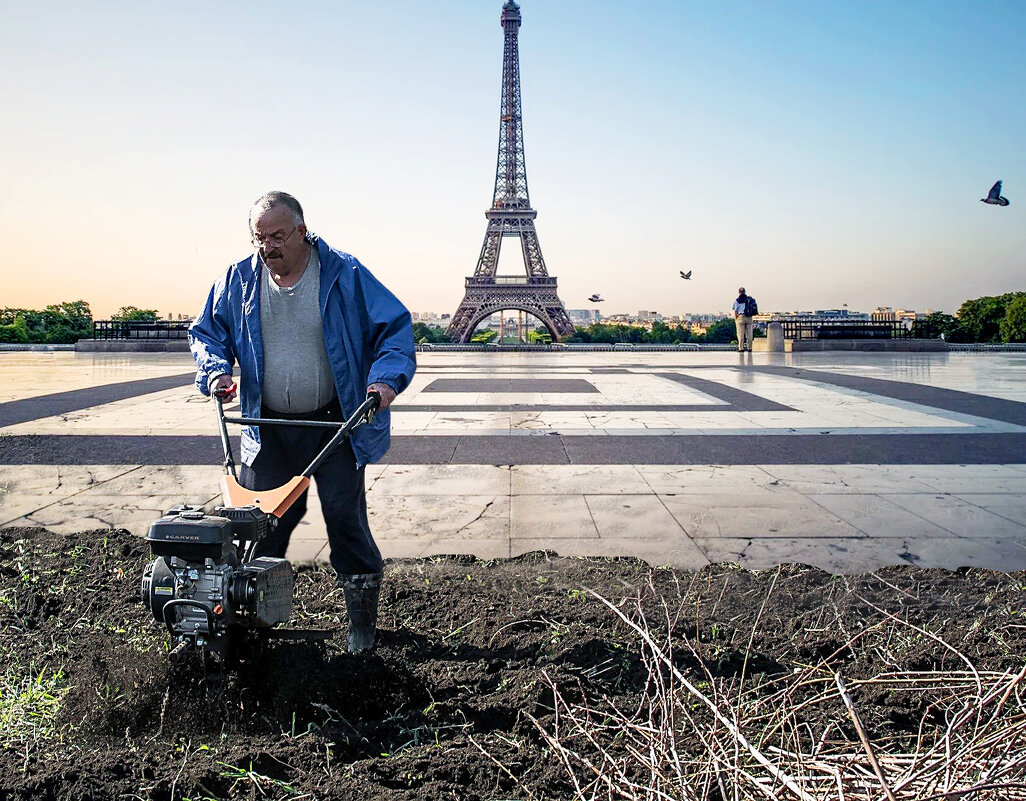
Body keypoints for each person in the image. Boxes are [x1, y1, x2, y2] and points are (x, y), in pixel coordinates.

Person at [188, 191, 416, 653]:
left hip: (334, 425)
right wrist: (215, 371)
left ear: (302, 231)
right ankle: (248, 620)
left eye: (277, 235)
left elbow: (393, 330)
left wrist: (384, 383)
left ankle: (361, 626)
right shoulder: (237, 280)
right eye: (259, 237)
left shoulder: (344, 274)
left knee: (344, 521)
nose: (268, 246)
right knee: (257, 525)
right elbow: (207, 331)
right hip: (265, 426)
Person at [732, 286, 755, 352]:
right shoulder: (749, 299)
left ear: (739, 292)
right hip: (749, 317)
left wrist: (736, 319)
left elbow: (735, 311)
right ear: (745, 292)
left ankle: (741, 348)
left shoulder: (737, 300)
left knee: (740, 334)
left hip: (740, 317)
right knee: (749, 334)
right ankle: (749, 348)